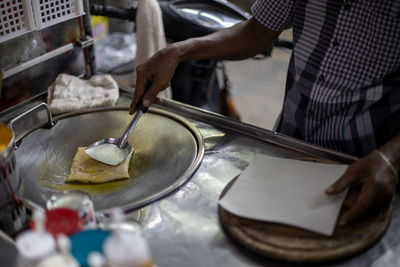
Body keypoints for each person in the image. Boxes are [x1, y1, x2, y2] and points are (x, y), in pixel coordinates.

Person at [130, 0, 400, 226]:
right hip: (291, 141)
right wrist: (179, 50)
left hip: (369, 163)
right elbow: (256, 34)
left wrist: (391, 158)